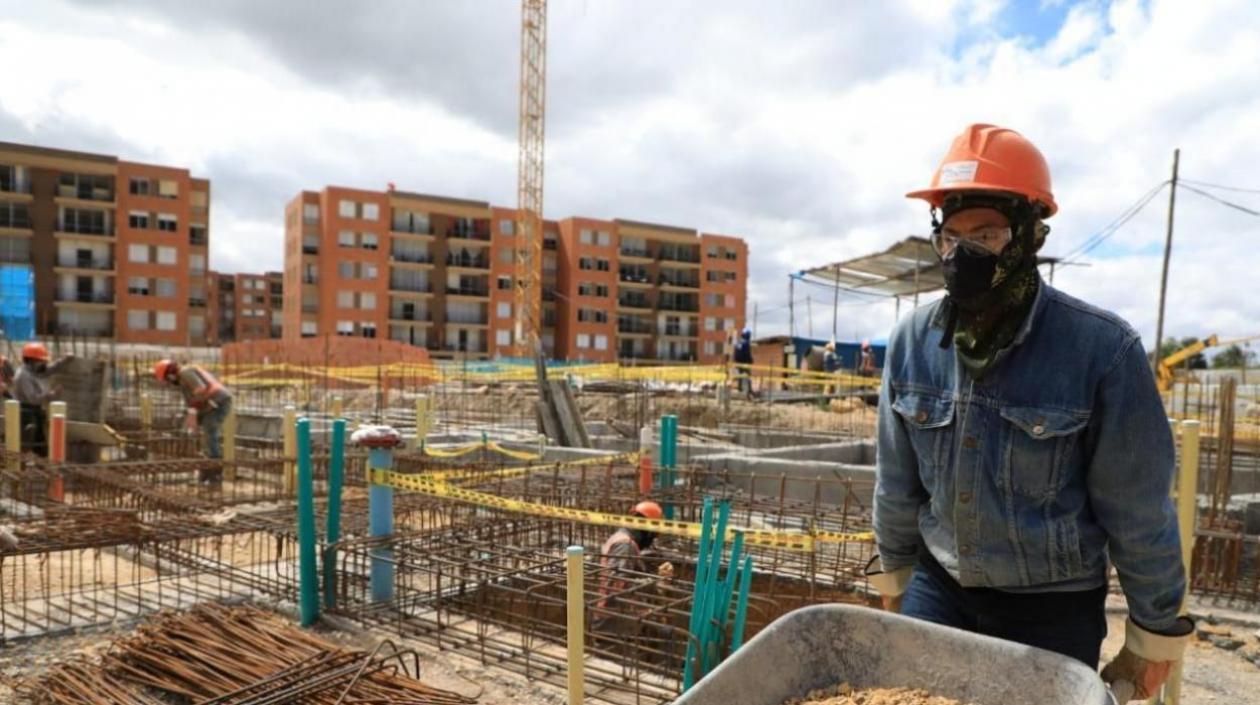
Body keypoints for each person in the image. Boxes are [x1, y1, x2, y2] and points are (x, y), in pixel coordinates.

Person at [868, 124, 1191, 702]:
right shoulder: (912, 343)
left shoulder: (1101, 350)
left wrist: (1153, 634)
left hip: (1051, 610)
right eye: (951, 236)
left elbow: (1138, 510)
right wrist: (895, 579)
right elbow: (897, 484)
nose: (962, 253)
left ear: (1029, 237)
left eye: (986, 235)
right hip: (939, 590)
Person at [155, 359, 233, 483]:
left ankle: (215, 471)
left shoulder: (185, 373)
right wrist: (192, 416)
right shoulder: (182, 378)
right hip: (209, 404)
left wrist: (193, 413)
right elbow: (193, 400)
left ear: (170, 375)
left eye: (167, 380)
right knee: (204, 436)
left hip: (218, 401)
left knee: (210, 432)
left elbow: (200, 390)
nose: (169, 383)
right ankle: (206, 469)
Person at [10, 343, 72, 457]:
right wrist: (52, 394)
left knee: (40, 443)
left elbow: (48, 370)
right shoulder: (23, 376)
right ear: (31, 361)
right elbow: (33, 399)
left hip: (35, 412)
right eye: (41, 361)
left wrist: (64, 361)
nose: (44, 364)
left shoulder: (33, 370)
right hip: (26, 413)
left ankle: (40, 463)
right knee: (30, 443)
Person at [733, 328, 753, 396]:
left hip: (737, 362)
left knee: (740, 376)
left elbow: (735, 353)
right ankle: (749, 390)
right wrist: (750, 360)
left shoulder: (738, 342)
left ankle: (740, 388)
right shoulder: (746, 343)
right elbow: (747, 353)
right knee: (747, 376)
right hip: (744, 363)